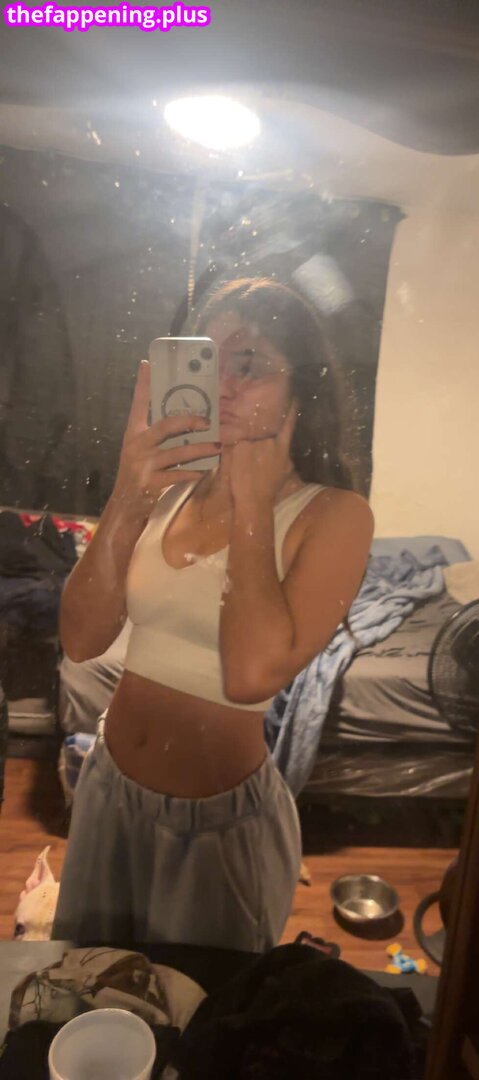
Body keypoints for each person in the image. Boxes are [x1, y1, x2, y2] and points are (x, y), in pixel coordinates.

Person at [52, 277, 374, 952]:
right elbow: (81, 639)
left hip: (218, 830)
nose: (222, 385)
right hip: (107, 791)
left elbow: (251, 675)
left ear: (300, 391)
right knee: (89, 982)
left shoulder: (334, 515)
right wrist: (128, 490)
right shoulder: (169, 492)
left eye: (249, 363)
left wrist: (253, 503)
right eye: (206, 361)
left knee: (199, 1007)